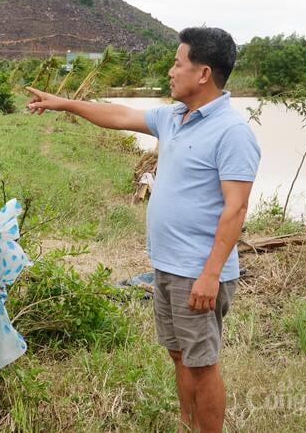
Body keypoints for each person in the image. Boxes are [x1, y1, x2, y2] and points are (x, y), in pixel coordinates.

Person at [26, 27, 260, 432]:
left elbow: (235, 209)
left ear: (203, 73)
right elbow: (118, 116)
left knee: (202, 365)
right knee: (179, 355)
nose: (171, 71)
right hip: (168, 266)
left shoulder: (232, 132)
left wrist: (210, 275)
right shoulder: (174, 118)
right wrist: (64, 103)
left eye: (177, 62)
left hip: (199, 272)